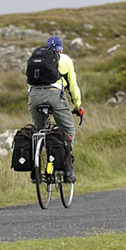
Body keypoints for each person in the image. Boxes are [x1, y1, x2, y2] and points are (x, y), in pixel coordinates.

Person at [28, 35, 84, 182]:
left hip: (34, 96)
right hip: (54, 96)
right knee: (68, 131)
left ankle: (35, 170)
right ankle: (67, 170)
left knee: (38, 131)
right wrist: (78, 106)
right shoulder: (65, 59)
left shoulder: (37, 59)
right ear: (61, 48)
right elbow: (73, 86)